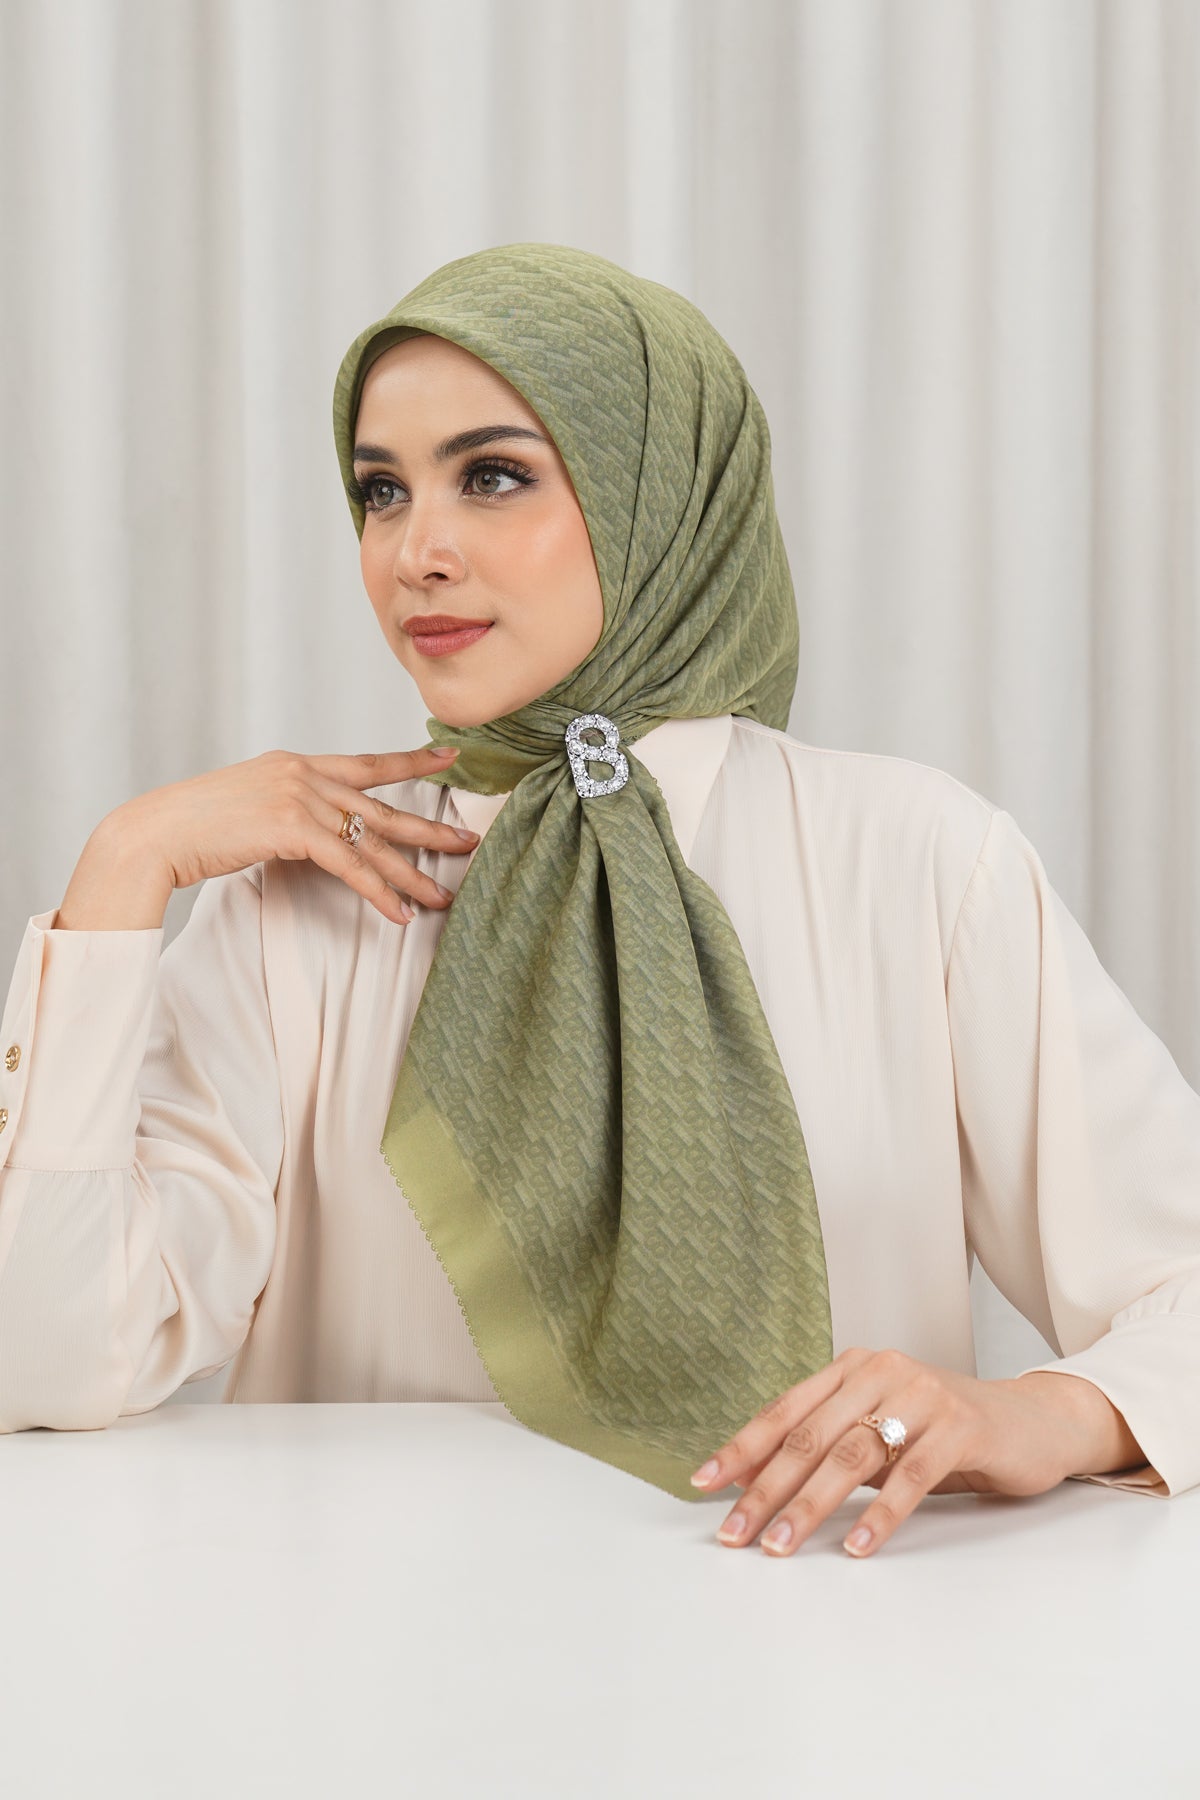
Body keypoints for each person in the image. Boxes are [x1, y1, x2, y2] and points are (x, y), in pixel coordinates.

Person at [1, 244, 1197, 1563]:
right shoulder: (298, 911)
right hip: (375, 1654)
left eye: (492, 475)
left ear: (659, 494)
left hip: (823, 1636)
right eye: (381, 492)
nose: (417, 554)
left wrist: (1045, 1412)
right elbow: (46, 1358)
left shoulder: (917, 864)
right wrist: (123, 867)